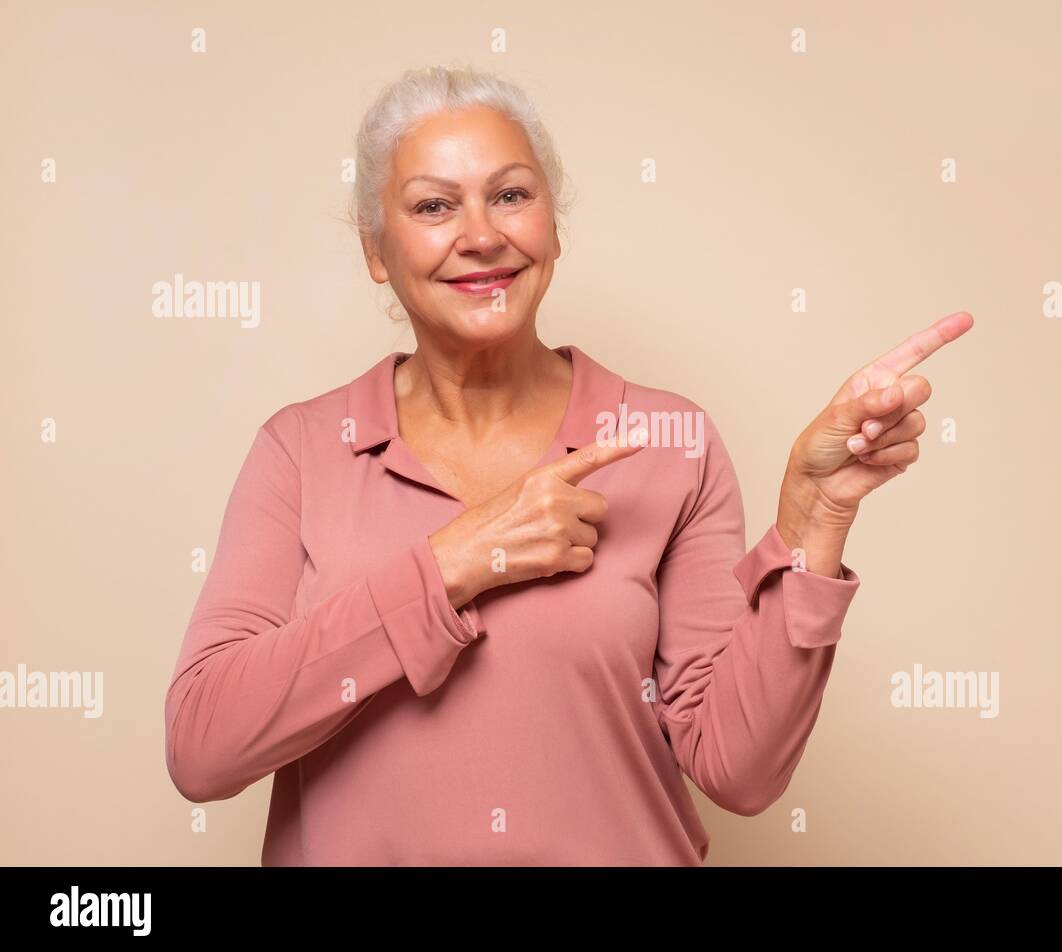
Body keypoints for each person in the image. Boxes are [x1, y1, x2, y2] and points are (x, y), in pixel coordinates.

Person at [163, 64, 973, 865]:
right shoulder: (301, 451)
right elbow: (203, 749)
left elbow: (741, 768)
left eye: (511, 195)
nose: (481, 234)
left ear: (553, 226)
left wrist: (812, 521)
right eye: (434, 206)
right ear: (377, 251)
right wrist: (450, 566)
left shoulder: (667, 442)